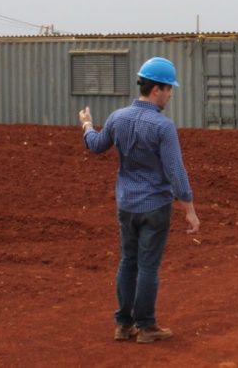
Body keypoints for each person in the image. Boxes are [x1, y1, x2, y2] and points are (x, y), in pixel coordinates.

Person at [78, 57, 200, 343]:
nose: (170, 94)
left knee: (127, 263)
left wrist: (86, 125)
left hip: (126, 205)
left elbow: (96, 146)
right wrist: (190, 209)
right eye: (169, 89)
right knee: (147, 267)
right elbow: (176, 173)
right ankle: (146, 326)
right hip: (155, 207)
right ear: (157, 89)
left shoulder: (117, 118)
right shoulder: (163, 126)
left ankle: (123, 324)